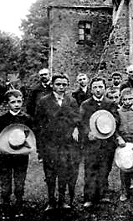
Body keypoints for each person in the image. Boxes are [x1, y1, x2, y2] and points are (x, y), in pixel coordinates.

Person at [33, 73, 81, 211]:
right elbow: (38, 125)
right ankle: (51, 201)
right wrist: (40, 148)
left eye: (64, 85)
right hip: (50, 143)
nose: (61, 87)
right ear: (52, 85)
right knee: (50, 174)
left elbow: (77, 118)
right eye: (58, 84)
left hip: (66, 143)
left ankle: (62, 200)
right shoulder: (43, 101)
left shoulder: (71, 101)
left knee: (64, 172)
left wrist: (75, 128)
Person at [0, 89, 34, 217]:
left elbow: (33, 135)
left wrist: (26, 146)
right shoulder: (2, 119)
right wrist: (2, 146)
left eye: (19, 101)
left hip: (22, 156)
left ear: (22, 102)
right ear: (8, 103)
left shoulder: (27, 119)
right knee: (6, 184)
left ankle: (19, 206)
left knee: (20, 183)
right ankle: (6, 207)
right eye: (13, 102)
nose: (16, 104)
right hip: (5, 157)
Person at [78, 76, 116, 209]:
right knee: (90, 169)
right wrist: (89, 132)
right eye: (95, 87)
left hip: (107, 142)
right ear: (91, 89)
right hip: (91, 143)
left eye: (100, 87)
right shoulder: (85, 104)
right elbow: (82, 122)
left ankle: (103, 193)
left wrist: (107, 128)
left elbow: (115, 119)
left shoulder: (110, 103)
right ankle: (89, 197)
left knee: (105, 168)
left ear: (105, 88)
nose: (98, 90)